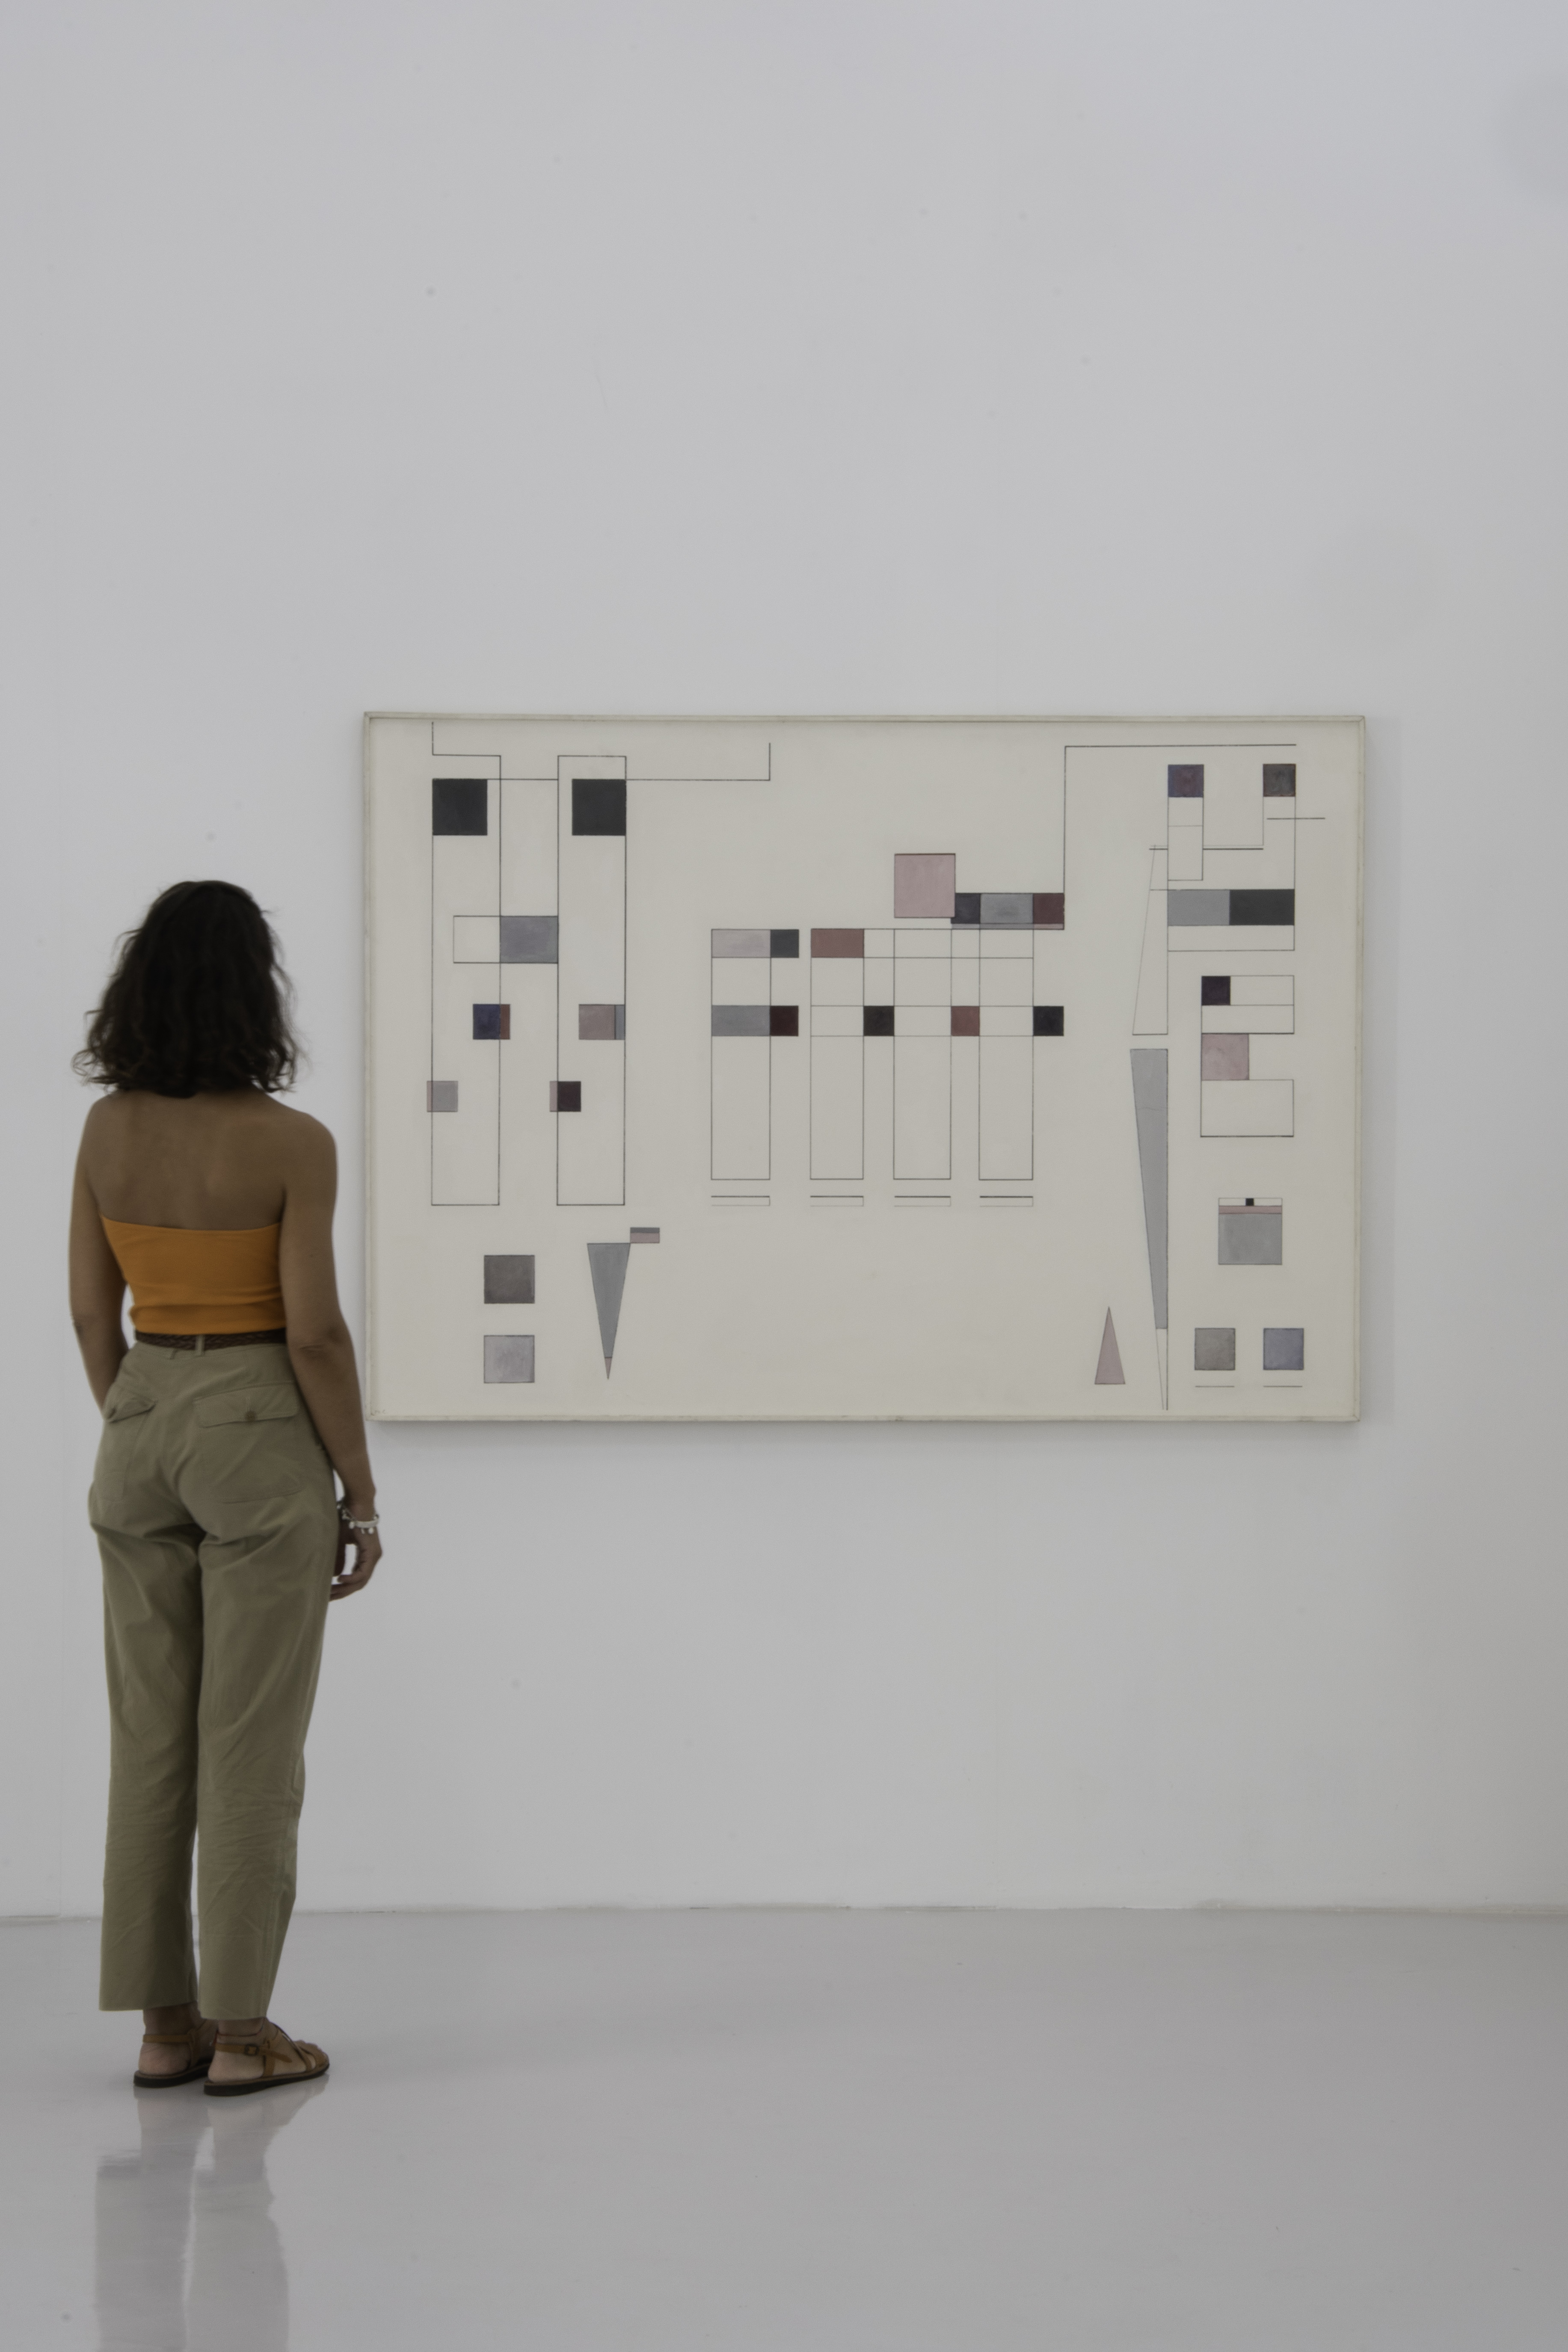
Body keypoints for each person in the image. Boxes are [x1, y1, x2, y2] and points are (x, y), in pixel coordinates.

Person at [68, 880, 382, 2096]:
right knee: (249, 1741)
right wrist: (358, 1491)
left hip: (140, 1413)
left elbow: (90, 1312)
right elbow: (315, 1335)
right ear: (258, 993)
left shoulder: (107, 1131)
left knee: (150, 1737)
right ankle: (246, 2037)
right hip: (258, 1425)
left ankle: (165, 2027)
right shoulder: (293, 1145)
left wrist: (144, 1416)